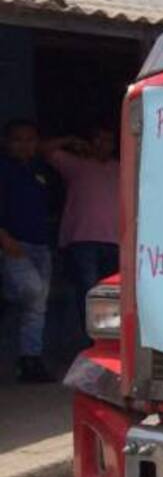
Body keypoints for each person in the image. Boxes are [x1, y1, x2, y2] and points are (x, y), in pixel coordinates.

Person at [43, 127, 119, 350]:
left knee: (112, 294)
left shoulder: (120, 167)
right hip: (82, 239)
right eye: (97, 140)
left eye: (107, 140)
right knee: (88, 292)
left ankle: (109, 342)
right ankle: (95, 342)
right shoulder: (75, 164)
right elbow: (42, 149)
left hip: (116, 240)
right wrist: (71, 138)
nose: (102, 145)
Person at [0, 119, 55, 382]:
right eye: (18, 140)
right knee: (31, 293)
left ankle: (31, 360)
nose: (25, 145)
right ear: (7, 142)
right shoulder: (4, 169)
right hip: (14, 244)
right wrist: (4, 238)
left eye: (30, 139)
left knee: (38, 305)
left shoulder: (38, 169)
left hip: (41, 245)